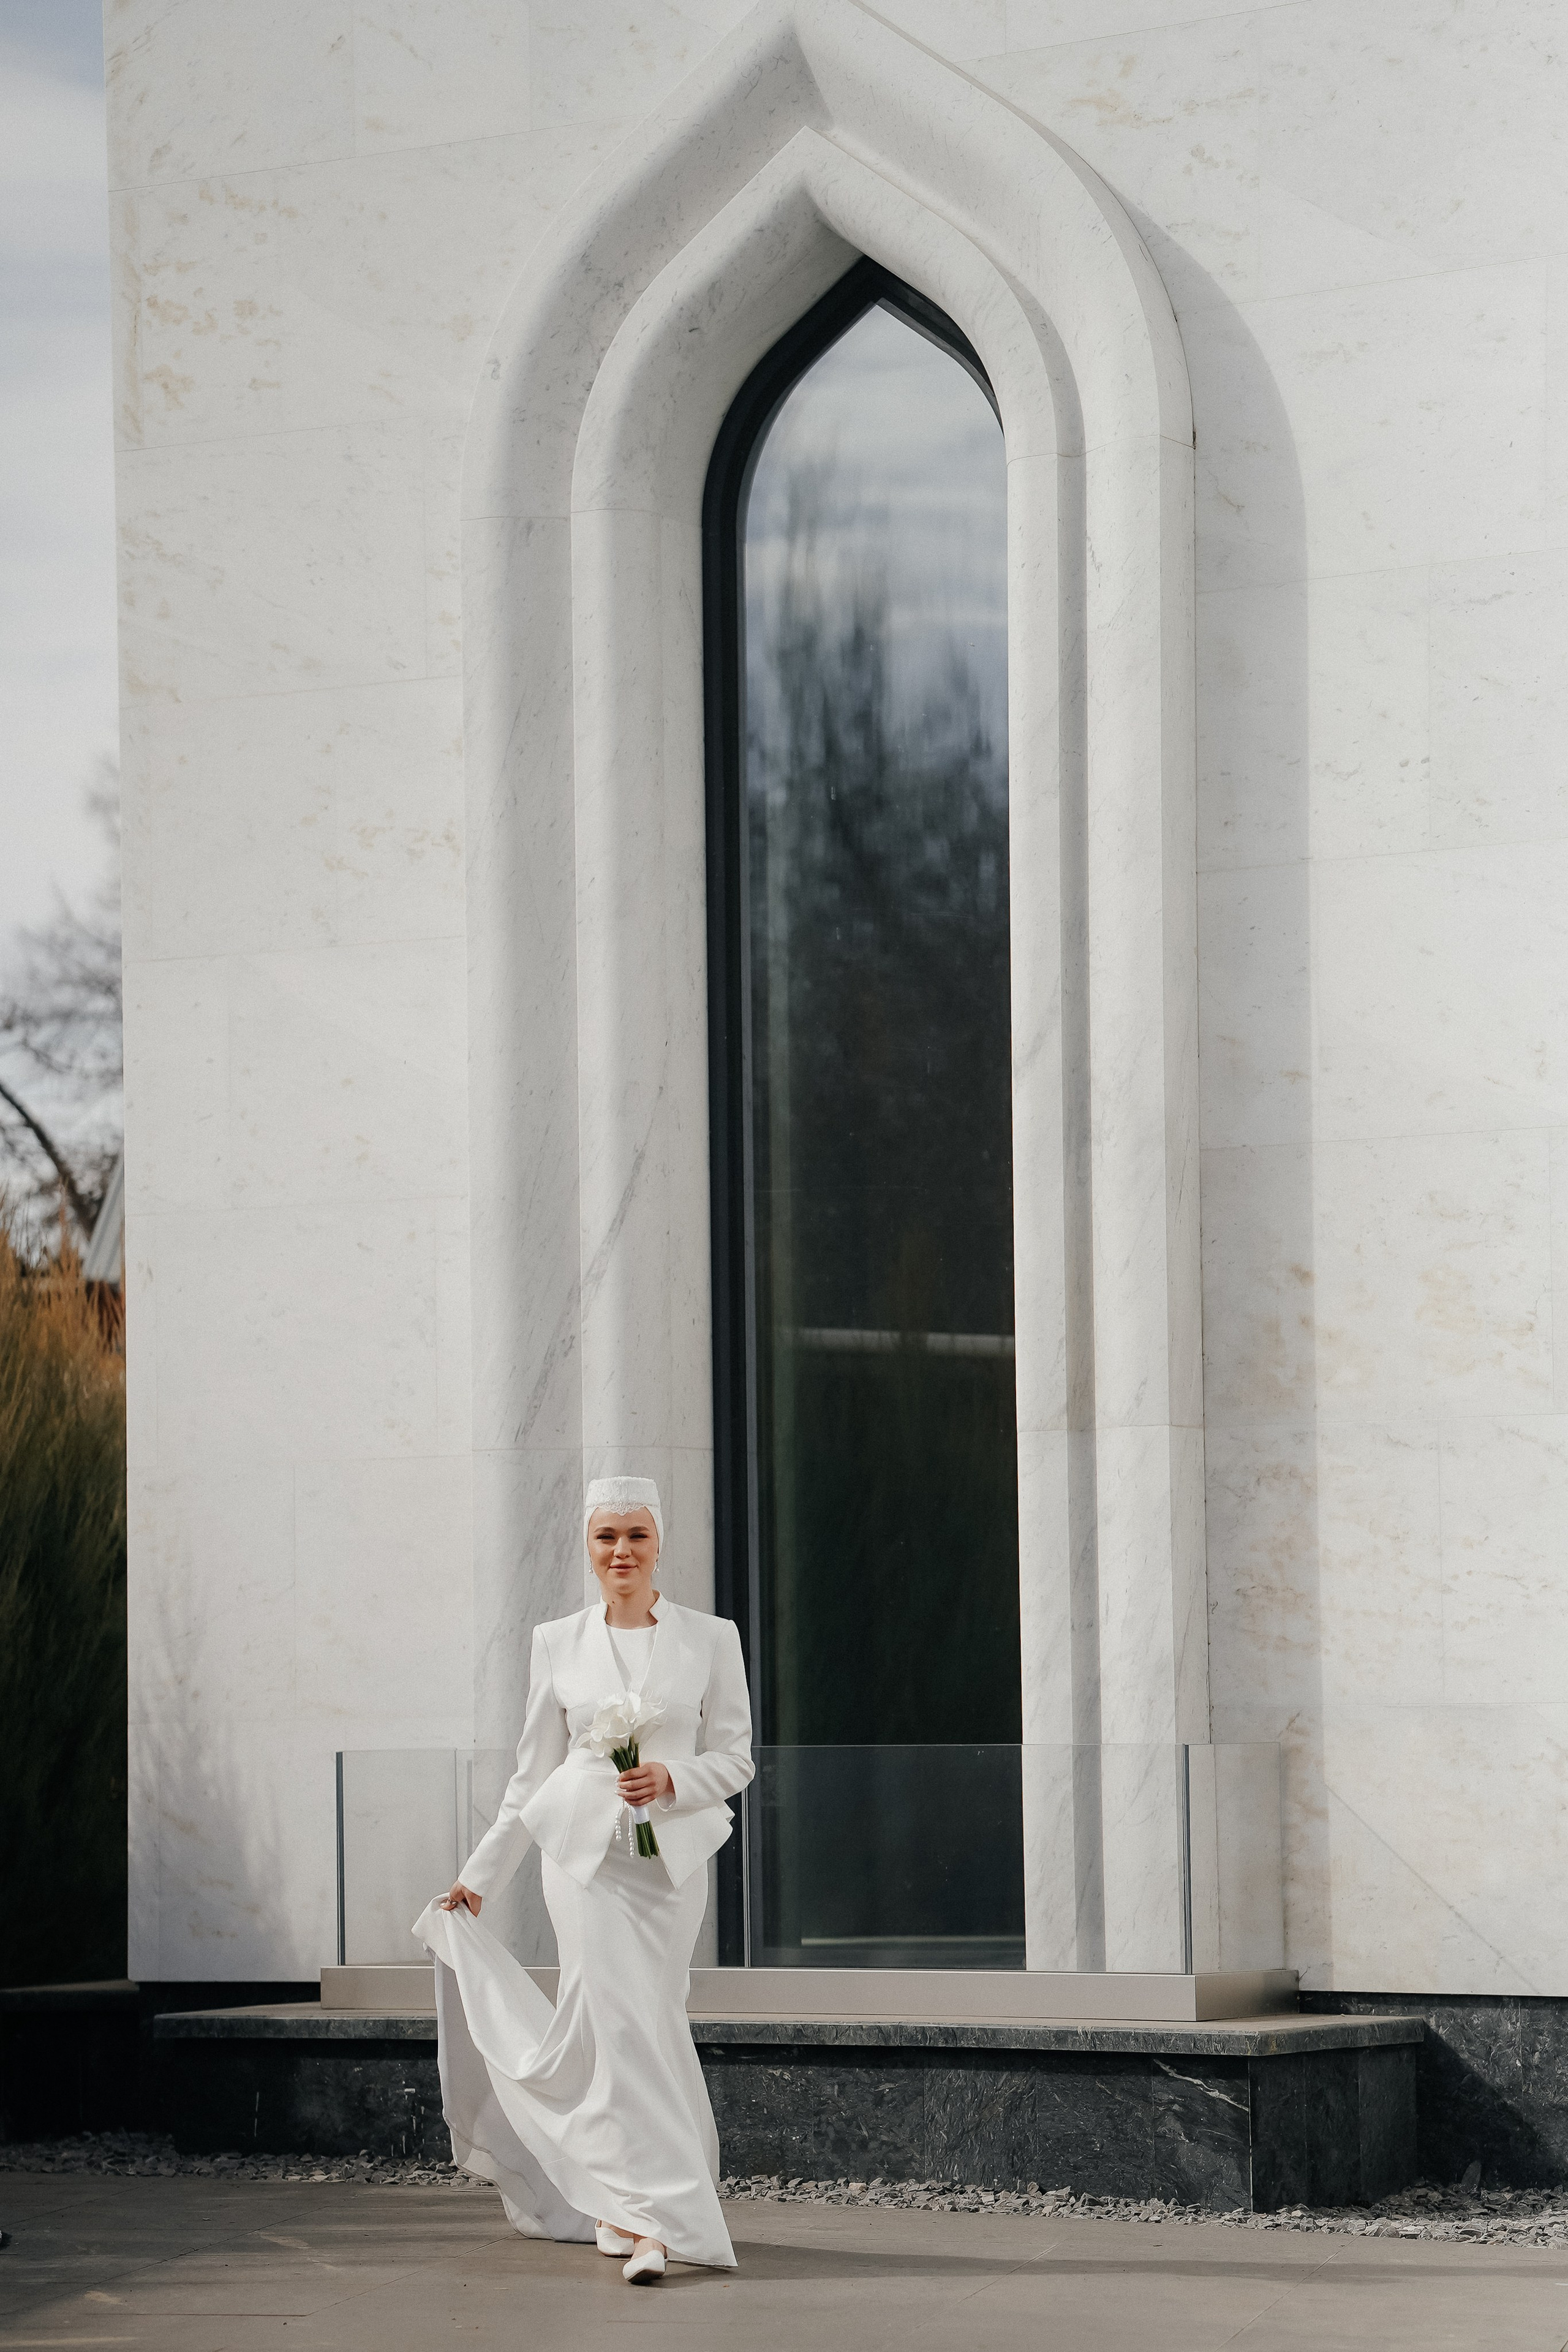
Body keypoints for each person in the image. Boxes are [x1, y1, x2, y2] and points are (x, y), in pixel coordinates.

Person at [413, 1476, 754, 2284]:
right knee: (619, 2024)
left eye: (636, 1535)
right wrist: (479, 1874)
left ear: (659, 1543)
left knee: (652, 2022)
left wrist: (673, 1780)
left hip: (669, 1873)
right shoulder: (555, 1641)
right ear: (588, 1548)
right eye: (607, 1537)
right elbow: (531, 1777)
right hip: (582, 1869)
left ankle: (617, 2199)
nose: (622, 1551)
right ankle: (649, 2224)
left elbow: (737, 1758)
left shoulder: (711, 1638)